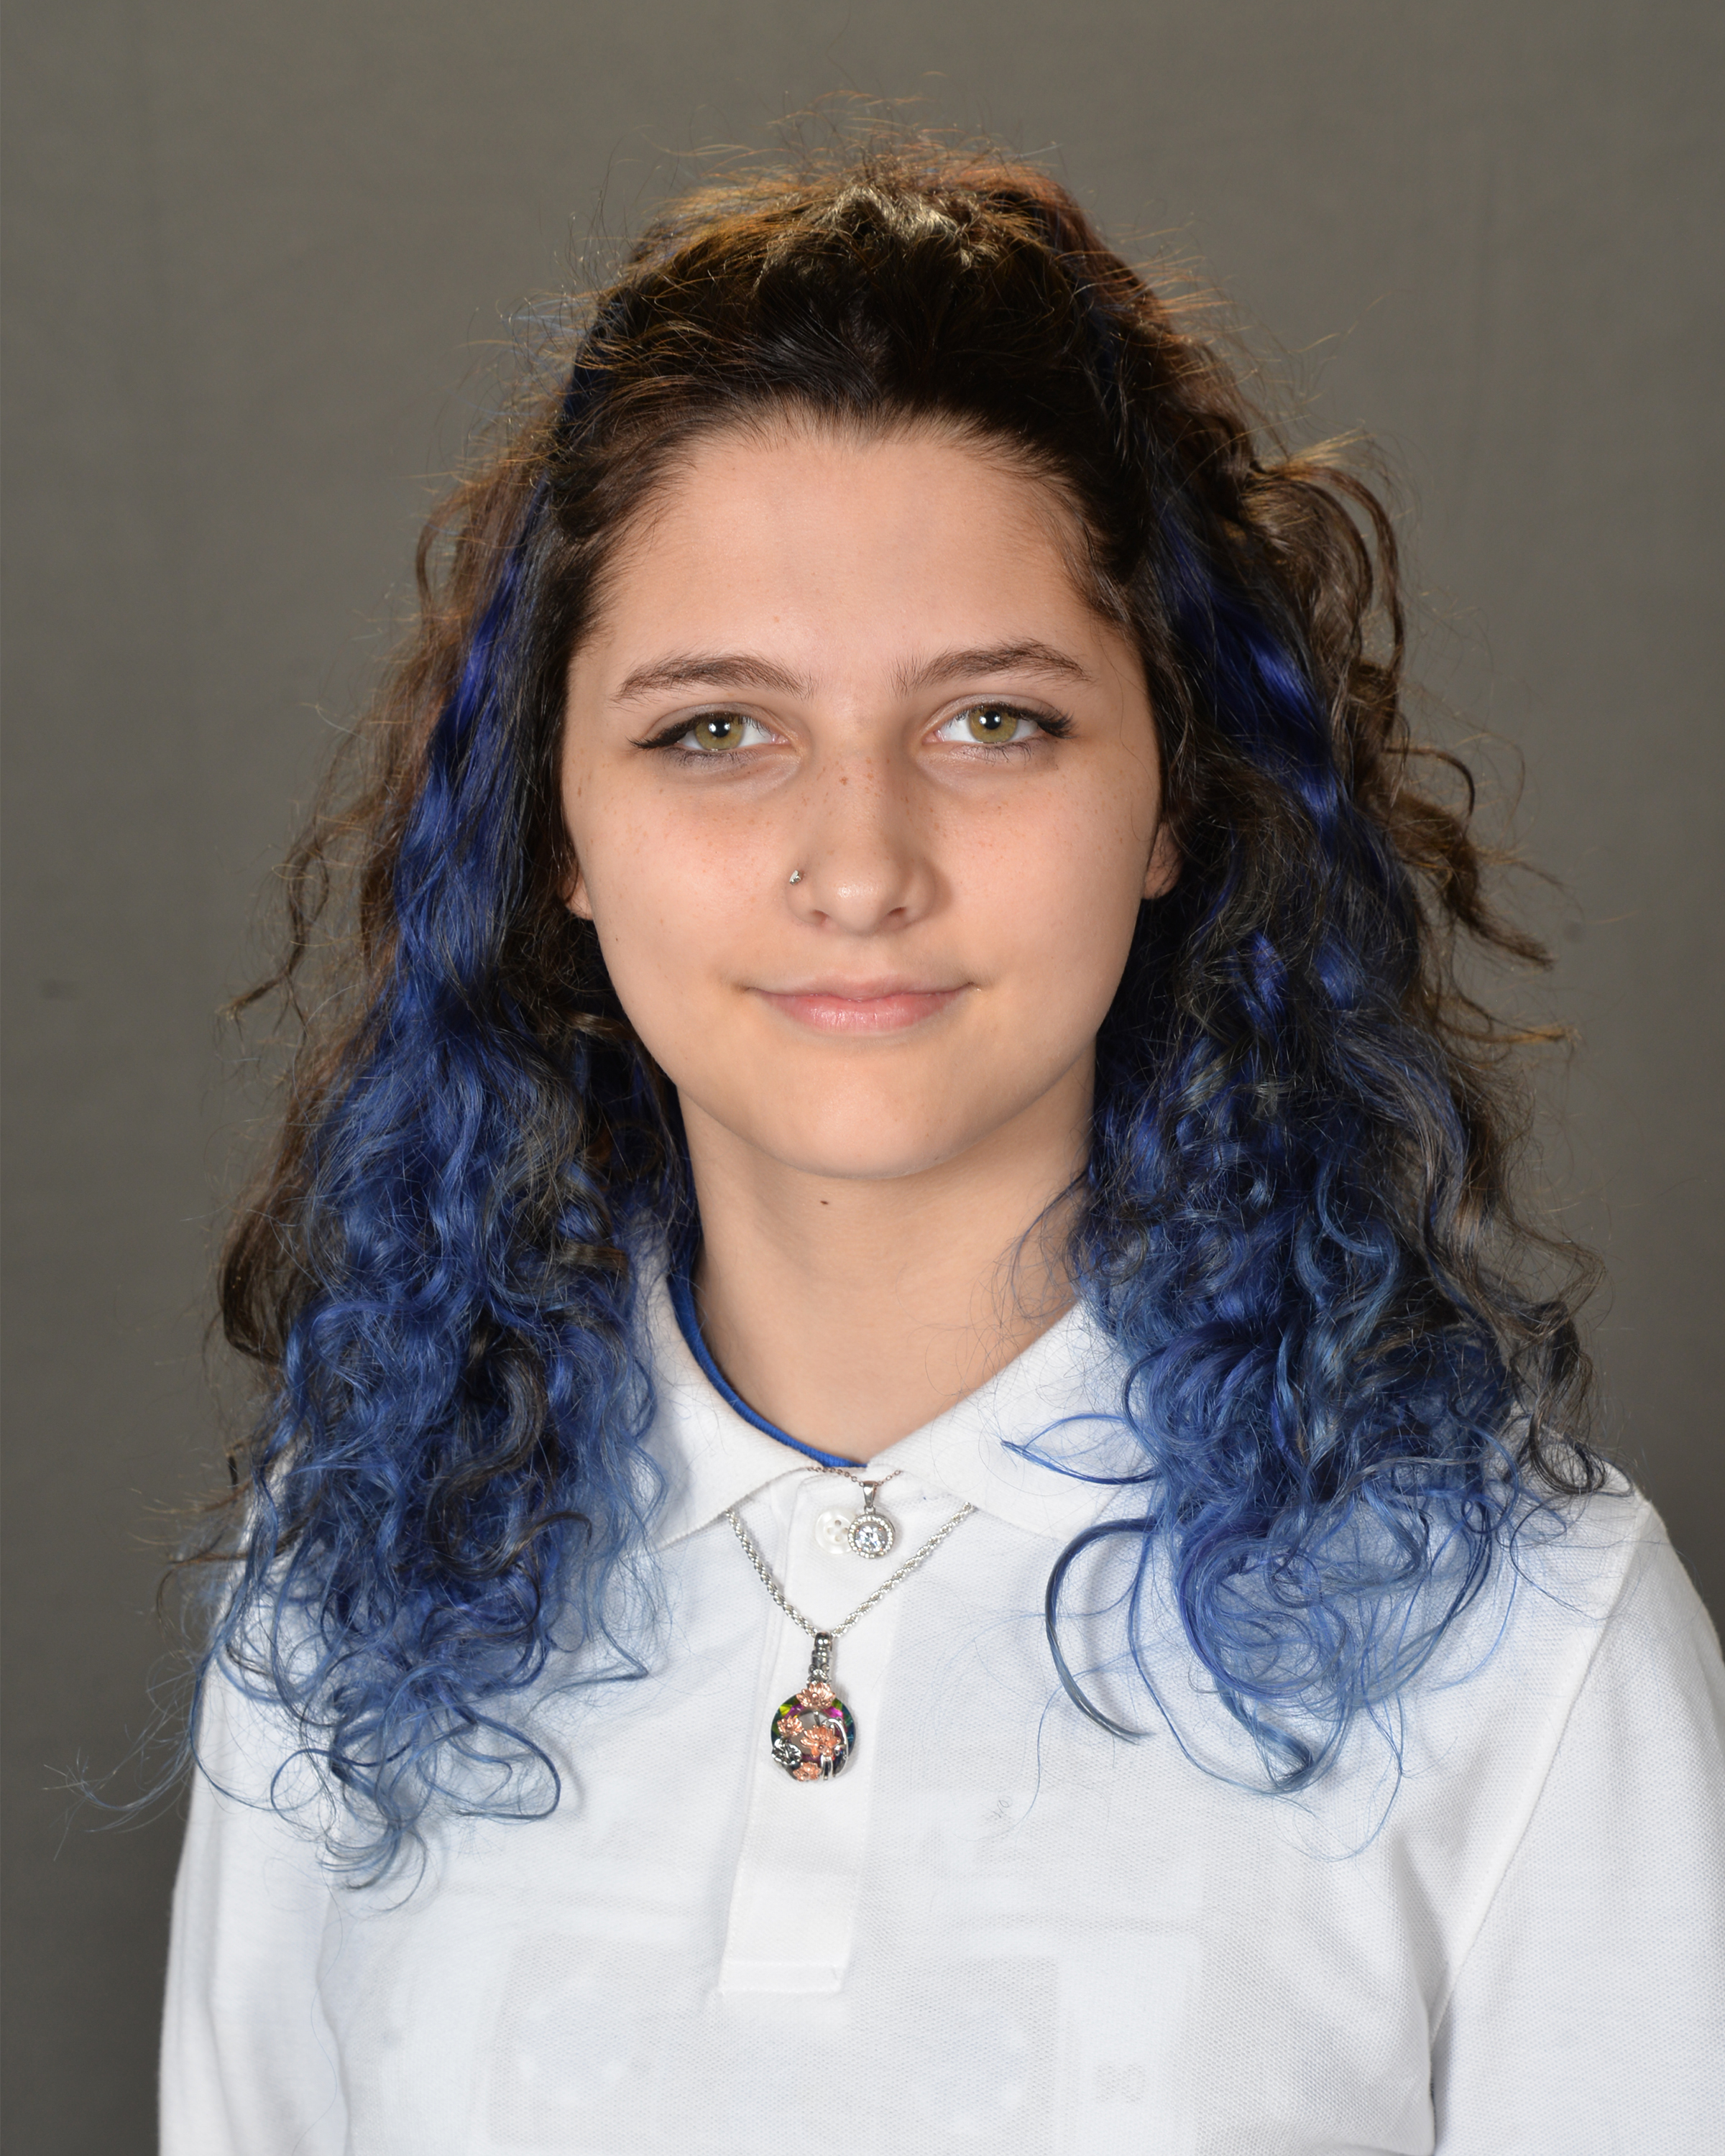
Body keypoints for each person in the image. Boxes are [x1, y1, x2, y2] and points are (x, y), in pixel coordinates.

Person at [160, 144, 1724, 2153]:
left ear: (1173, 799)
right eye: (716, 728)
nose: (859, 867)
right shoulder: (349, 1595)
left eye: (994, 721)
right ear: (554, 829)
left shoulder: (1524, 1639)